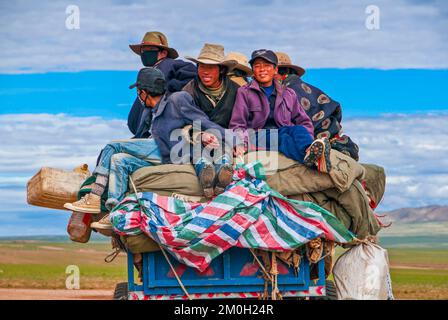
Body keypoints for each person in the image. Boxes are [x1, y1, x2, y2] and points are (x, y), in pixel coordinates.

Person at [65, 67, 234, 219]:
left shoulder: (177, 100)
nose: (138, 96)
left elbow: (204, 122)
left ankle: (94, 196)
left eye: (138, 92)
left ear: (143, 92)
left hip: (171, 150)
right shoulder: (149, 112)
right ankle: (115, 213)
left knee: (112, 146)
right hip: (156, 153)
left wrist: (235, 140)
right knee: (120, 160)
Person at [230, 49, 331, 172]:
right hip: (256, 135)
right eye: (257, 66)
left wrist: (308, 138)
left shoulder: (288, 93)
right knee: (284, 139)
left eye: (267, 66)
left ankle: (310, 151)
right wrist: (241, 143)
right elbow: (237, 124)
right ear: (253, 71)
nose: (262, 69)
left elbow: (304, 121)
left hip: (282, 131)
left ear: (275, 70)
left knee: (298, 129)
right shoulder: (244, 92)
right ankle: (311, 160)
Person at [275, 52, 360, 161]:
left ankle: (311, 154)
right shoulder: (307, 89)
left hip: (319, 143)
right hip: (339, 142)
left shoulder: (287, 93)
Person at [127, 31, 197, 138]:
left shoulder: (168, 64)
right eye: (143, 50)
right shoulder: (150, 73)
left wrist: (168, 89)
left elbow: (192, 73)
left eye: (150, 50)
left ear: (163, 53)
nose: (145, 53)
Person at [182, 43, 240, 129]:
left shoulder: (236, 90)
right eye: (202, 66)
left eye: (211, 67)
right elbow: (184, 119)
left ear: (221, 70)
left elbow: (241, 121)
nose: (205, 72)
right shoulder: (189, 90)